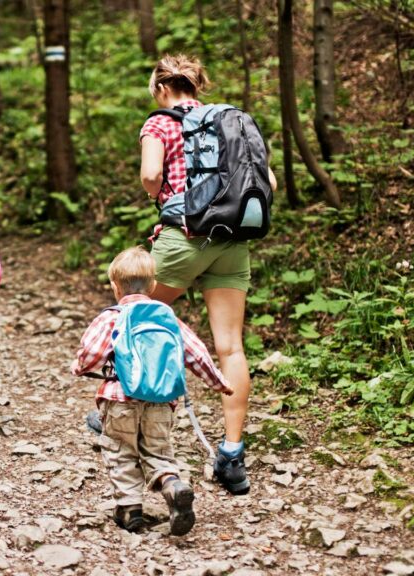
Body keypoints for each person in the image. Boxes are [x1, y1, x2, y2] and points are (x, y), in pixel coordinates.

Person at [139, 54, 277, 495]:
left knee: (135, 316)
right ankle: (232, 456)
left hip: (183, 236)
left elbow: (150, 174)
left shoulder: (159, 123)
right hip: (233, 240)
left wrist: (158, 193)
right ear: (197, 86)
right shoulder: (228, 121)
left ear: (162, 88)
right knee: (231, 347)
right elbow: (268, 183)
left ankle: (122, 413)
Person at [71, 247, 233, 534]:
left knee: (120, 451)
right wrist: (219, 383)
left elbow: (91, 352)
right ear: (154, 285)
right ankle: (172, 484)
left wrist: (79, 367)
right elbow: (196, 353)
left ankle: (130, 510)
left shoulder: (112, 317)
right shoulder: (167, 317)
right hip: (162, 401)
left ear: (114, 286)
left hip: (119, 399)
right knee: (158, 452)